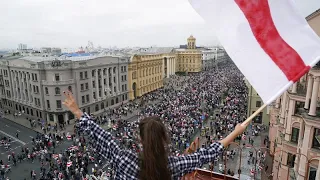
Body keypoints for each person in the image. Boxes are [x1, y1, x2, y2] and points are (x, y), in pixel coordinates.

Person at [62, 90, 246, 180]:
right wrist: (235, 132)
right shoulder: (174, 165)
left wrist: (78, 112)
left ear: (141, 138)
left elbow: (102, 136)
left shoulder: (123, 159)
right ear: (164, 138)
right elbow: (206, 154)